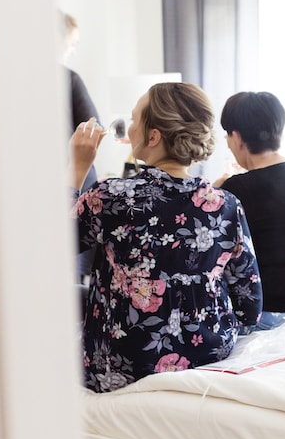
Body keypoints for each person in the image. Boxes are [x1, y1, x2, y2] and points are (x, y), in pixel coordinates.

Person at [69, 82, 262, 393]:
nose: (130, 127)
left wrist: (78, 167)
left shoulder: (110, 197)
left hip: (124, 364)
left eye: (135, 119)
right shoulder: (226, 205)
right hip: (209, 354)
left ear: (154, 136)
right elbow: (250, 306)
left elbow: (55, 242)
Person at [215, 91, 285, 329]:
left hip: (272, 316)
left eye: (227, 136)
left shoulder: (236, 188)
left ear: (237, 137)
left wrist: (215, 191)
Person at [60, 10, 100, 283]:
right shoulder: (68, 78)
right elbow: (93, 128)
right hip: (76, 178)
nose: (72, 50)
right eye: (71, 43)